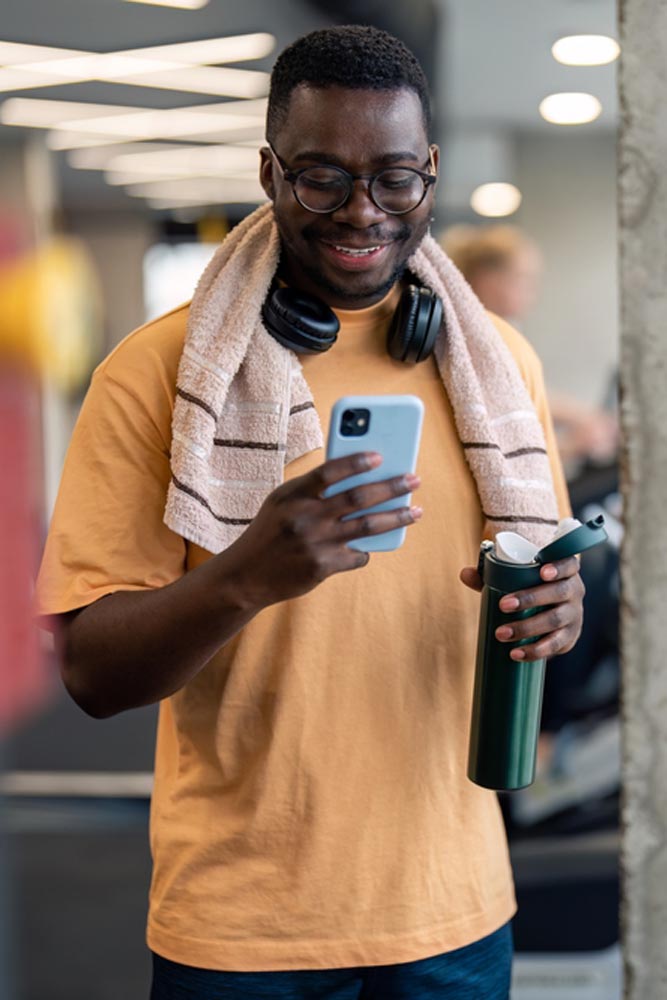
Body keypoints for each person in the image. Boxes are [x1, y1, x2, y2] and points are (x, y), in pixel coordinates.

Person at [35, 25, 585, 1000]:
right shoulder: (156, 372)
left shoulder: (499, 365)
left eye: (394, 178)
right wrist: (248, 573)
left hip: (453, 911)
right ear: (269, 170)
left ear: (431, 171)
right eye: (321, 177)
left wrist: (554, 611)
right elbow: (91, 673)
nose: (361, 211)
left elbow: (526, 579)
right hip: (245, 930)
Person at [441, 223, 618, 472]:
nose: (532, 292)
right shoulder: (470, 340)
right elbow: (497, 440)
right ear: (485, 279)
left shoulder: (502, 334)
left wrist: (583, 418)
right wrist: (572, 444)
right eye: (522, 280)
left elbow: (524, 395)